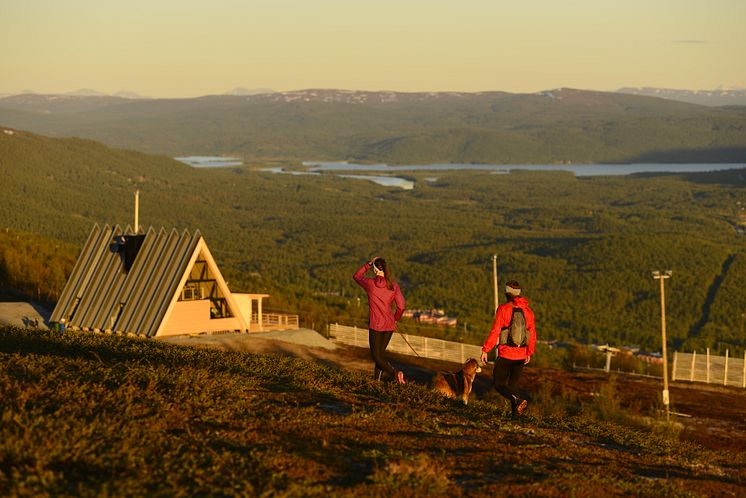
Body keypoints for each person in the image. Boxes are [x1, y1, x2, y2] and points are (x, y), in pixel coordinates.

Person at [480, 280, 536, 417]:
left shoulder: (503, 309)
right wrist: (529, 352)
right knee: (513, 385)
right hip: (521, 355)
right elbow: (532, 334)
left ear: (506, 293)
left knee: (499, 384)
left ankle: (518, 400)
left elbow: (495, 331)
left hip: (506, 354)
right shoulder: (528, 311)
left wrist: (485, 349)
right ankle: (516, 417)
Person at [353, 256, 407, 384]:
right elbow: (401, 306)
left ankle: (395, 373)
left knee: (376, 356)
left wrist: (368, 264)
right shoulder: (393, 286)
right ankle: (376, 381)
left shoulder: (370, 284)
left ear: (376, 270)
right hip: (389, 325)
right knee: (380, 356)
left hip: (376, 325)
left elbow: (357, 276)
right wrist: (396, 318)